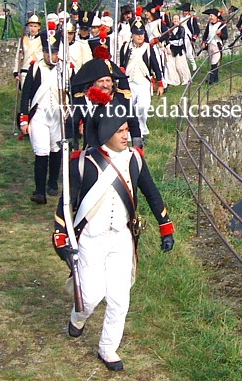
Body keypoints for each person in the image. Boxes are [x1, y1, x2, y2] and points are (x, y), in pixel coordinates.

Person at [52, 104, 175, 372]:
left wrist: (165, 225)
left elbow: (152, 194)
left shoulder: (135, 160)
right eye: (120, 131)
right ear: (105, 133)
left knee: (120, 298)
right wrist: (61, 239)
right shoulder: (82, 164)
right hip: (90, 240)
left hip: (121, 238)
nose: (126, 136)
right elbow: (65, 205)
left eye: (126, 130)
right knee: (91, 295)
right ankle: (78, 316)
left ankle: (108, 347)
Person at [18, 28, 71, 204]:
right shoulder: (35, 68)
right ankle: (39, 191)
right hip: (39, 115)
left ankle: (53, 182)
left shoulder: (65, 69)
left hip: (57, 116)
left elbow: (72, 92)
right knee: (41, 152)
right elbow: (26, 95)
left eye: (54, 52)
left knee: (56, 150)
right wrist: (24, 119)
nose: (51, 56)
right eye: (48, 52)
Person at [68, 57, 142, 150]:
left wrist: (137, 148)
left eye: (108, 81)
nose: (105, 85)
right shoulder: (83, 100)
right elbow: (71, 124)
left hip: (117, 149)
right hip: (92, 150)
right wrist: (72, 148)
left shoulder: (122, 98)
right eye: (100, 81)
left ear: (112, 83)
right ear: (93, 84)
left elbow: (133, 123)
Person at [119, 17, 165, 139]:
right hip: (129, 83)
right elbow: (122, 65)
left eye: (142, 33)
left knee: (143, 107)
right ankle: (131, 132)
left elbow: (155, 66)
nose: (140, 36)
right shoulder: (125, 48)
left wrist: (160, 84)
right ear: (132, 34)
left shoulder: (148, 48)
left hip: (143, 82)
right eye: (137, 34)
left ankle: (142, 130)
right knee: (128, 109)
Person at [13, 14, 44, 88]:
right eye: (31, 26)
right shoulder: (23, 40)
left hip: (38, 71)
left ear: (39, 27)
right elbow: (18, 56)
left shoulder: (43, 39)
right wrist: (16, 72)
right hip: (25, 71)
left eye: (35, 26)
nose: (32, 28)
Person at [201, 8, 227, 84]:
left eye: (211, 16)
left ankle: (211, 79)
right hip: (210, 45)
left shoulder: (221, 25)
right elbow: (206, 35)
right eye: (210, 16)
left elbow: (225, 36)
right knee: (212, 62)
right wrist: (204, 42)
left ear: (216, 16)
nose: (210, 17)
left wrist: (220, 34)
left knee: (214, 62)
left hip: (217, 45)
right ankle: (216, 79)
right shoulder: (209, 24)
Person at [165, 13, 192, 85]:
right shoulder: (169, 29)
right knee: (172, 66)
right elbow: (167, 39)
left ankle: (185, 79)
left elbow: (179, 39)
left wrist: (172, 41)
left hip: (179, 49)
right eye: (174, 19)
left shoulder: (181, 29)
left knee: (180, 65)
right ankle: (175, 80)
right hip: (171, 49)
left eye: (177, 19)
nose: (175, 20)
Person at [179, 2, 201, 71]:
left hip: (188, 37)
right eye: (184, 11)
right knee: (182, 53)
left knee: (188, 53)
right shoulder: (180, 18)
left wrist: (193, 39)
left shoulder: (192, 18)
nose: (184, 12)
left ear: (189, 11)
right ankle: (184, 67)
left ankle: (193, 64)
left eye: (186, 11)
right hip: (180, 36)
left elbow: (197, 30)